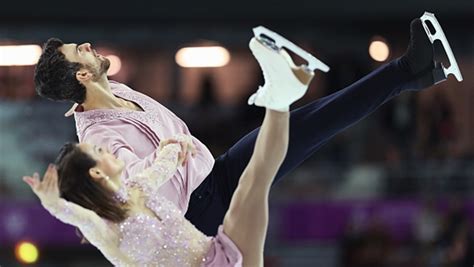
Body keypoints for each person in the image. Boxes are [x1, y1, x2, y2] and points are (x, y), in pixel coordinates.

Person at [33, 15, 462, 235]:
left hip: (214, 175)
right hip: (202, 212)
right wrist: (167, 156)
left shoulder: (115, 86)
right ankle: (408, 70)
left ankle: (413, 70)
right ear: (82, 76)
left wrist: (177, 152)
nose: (87, 46)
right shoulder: (99, 136)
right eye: (80, 52)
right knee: (302, 128)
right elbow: (135, 191)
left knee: (304, 126)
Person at [24, 37, 310, 266]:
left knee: (255, 179)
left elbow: (161, 165)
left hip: (216, 250)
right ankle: (279, 98)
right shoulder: (107, 231)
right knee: (256, 180)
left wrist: (175, 146)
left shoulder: (138, 188)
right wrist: (54, 205)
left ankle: (280, 98)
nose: (108, 151)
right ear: (97, 172)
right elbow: (81, 217)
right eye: (98, 151)